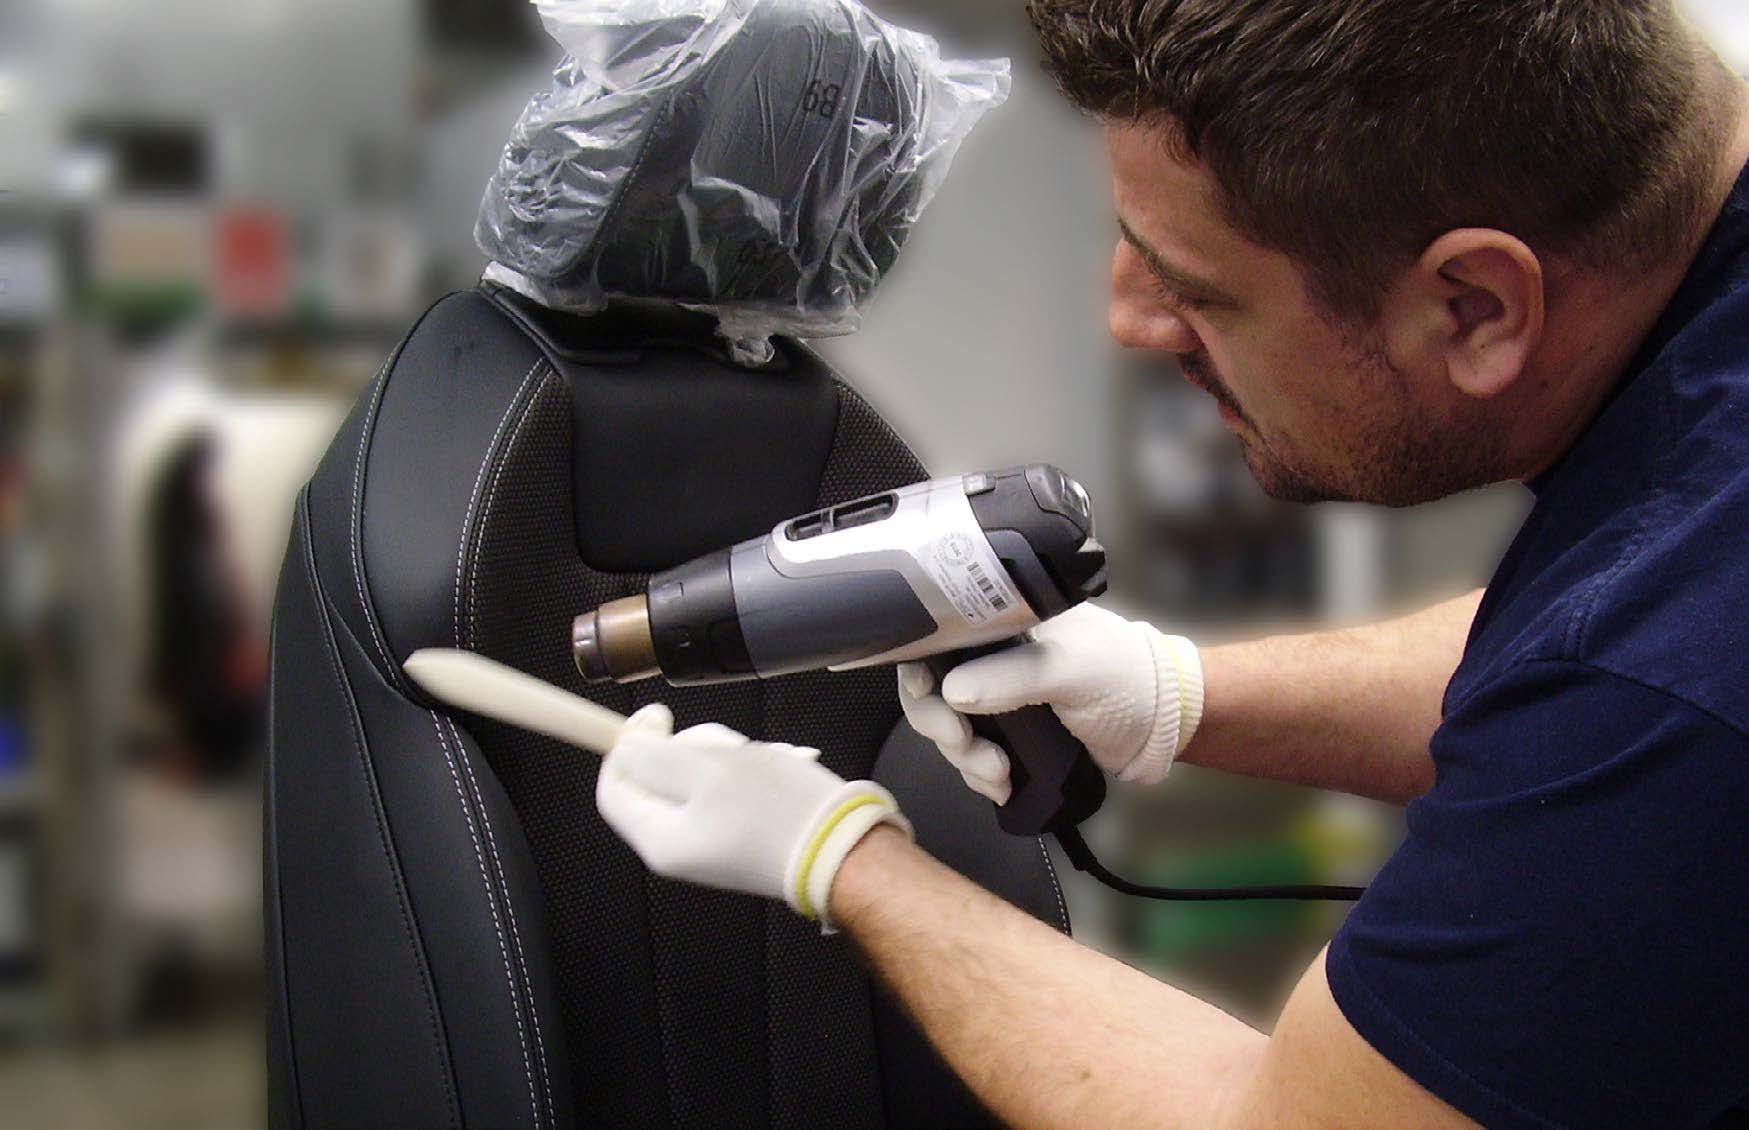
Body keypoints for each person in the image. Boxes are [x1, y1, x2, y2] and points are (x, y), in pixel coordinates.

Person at [593, 2, 1749, 1125]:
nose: (1130, 319)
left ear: (1477, 307)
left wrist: (841, 855)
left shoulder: (1667, 680)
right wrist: (1174, 692)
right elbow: (1580, 652)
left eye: (1195, 287)